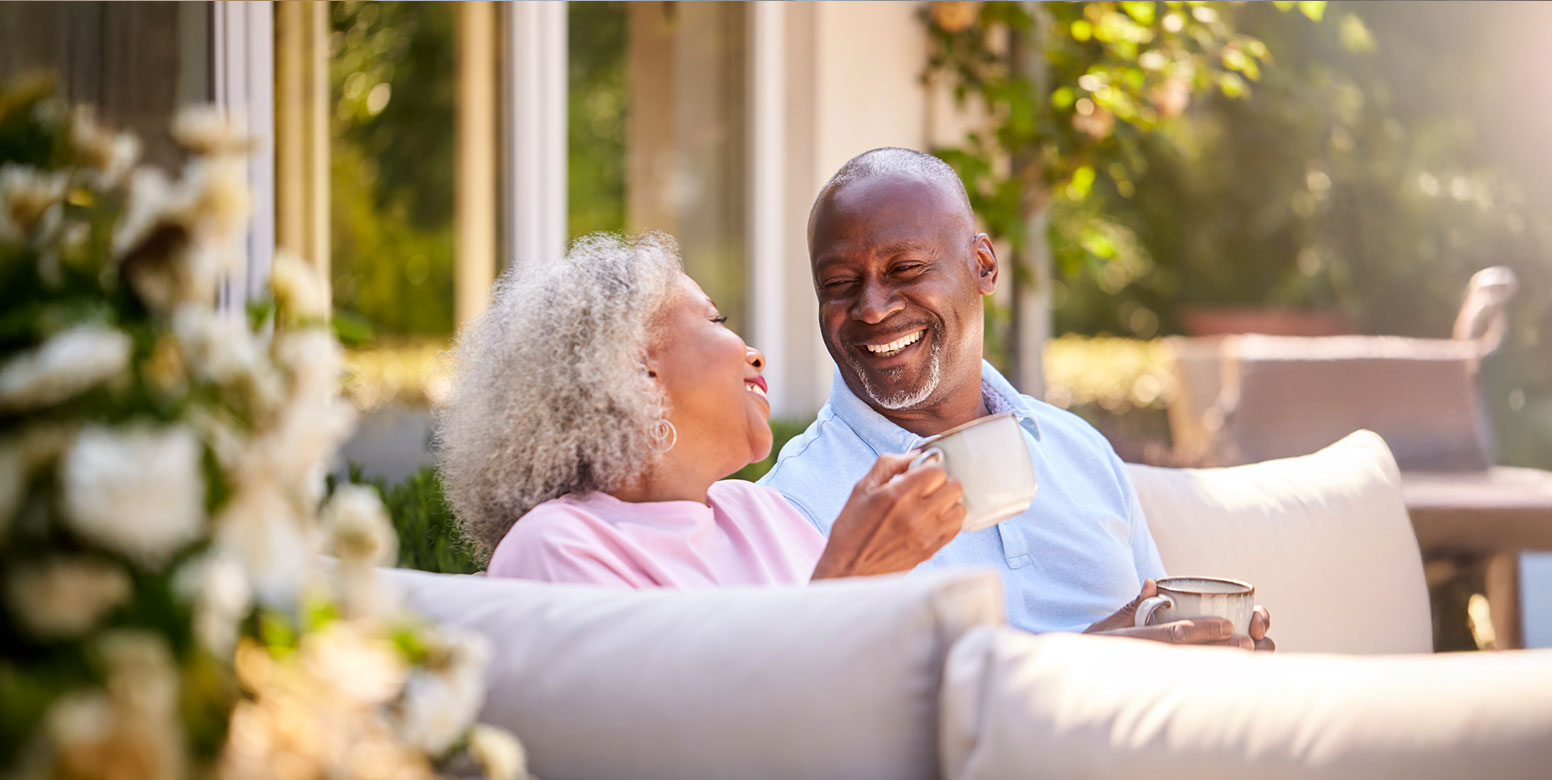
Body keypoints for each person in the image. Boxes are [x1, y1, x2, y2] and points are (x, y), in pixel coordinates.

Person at [759, 147, 1273, 649]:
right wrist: (1081, 667)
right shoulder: (796, 503)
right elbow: (824, 713)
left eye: (906, 269)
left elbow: (1155, 621)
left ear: (983, 265)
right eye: (840, 283)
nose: (871, 308)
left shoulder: (1077, 449)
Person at [436, 232, 964, 588]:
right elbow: (671, 740)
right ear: (634, 372)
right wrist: (850, 577)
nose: (754, 353)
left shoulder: (765, 514)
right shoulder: (558, 546)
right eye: (715, 321)